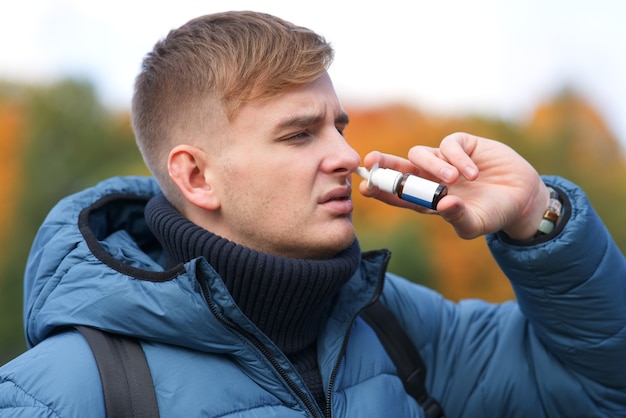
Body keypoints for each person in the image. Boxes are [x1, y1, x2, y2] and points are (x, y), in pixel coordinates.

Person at [0, 10, 624, 417]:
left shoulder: (399, 326)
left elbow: (600, 390)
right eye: (300, 135)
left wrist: (540, 216)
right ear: (196, 176)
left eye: (339, 127)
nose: (348, 156)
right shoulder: (60, 394)